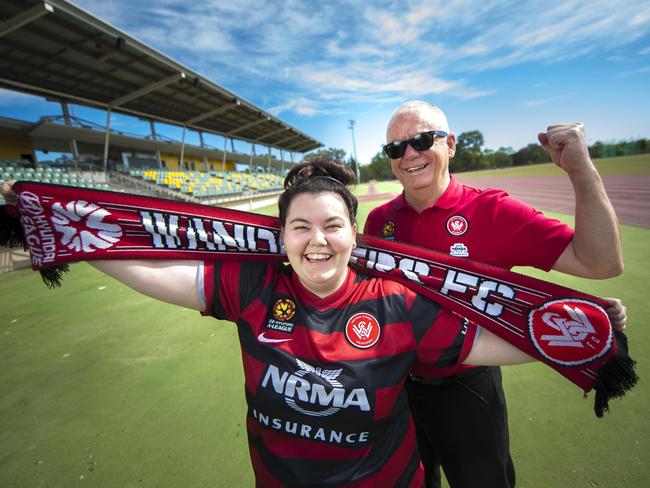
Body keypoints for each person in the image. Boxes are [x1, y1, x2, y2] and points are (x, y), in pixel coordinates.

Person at [2, 162, 570, 487]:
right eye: (300, 227)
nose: (316, 241)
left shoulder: (397, 302)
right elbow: (151, 272)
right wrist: (62, 231)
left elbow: (491, 341)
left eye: (331, 226)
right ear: (280, 237)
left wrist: (572, 333)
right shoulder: (252, 286)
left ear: (355, 234)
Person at [364, 101, 626, 488]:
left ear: (450, 144)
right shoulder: (379, 220)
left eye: (420, 140)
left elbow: (600, 262)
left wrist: (581, 170)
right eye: (395, 148)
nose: (408, 155)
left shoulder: (492, 211)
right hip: (394, 389)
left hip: (468, 392)